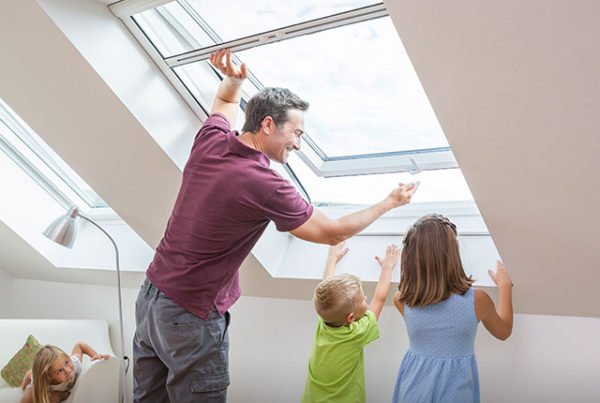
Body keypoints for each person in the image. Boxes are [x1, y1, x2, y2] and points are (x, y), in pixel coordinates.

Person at [133, 49, 419, 403]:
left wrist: (234, 81)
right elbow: (333, 232)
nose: (299, 143)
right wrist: (390, 202)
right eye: (296, 133)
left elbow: (223, 100)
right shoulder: (263, 181)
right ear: (267, 124)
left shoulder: (211, 140)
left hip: (151, 298)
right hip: (189, 314)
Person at [391, 214, 513, 403]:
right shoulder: (477, 299)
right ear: (452, 254)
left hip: (412, 390)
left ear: (409, 257)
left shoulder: (402, 299)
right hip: (456, 393)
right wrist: (504, 286)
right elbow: (503, 331)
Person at [302, 241, 400, 403]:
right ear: (351, 318)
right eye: (362, 300)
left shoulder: (324, 320)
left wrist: (332, 259)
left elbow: (325, 287)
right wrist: (387, 267)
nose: (366, 299)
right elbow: (379, 299)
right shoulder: (356, 333)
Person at [20, 343, 110, 403]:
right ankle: (27, 378)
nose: (68, 370)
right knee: (30, 382)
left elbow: (80, 345)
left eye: (66, 362)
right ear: (50, 377)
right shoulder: (41, 382)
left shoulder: (75, 364)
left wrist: (95, 355)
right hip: (38, 379)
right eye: (59, 371)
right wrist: (23, 388)